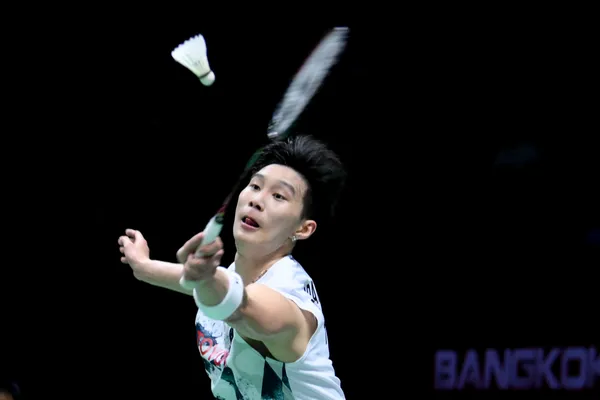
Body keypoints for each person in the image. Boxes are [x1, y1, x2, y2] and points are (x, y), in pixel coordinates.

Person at [118, 135, 347, 399]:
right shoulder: (232, 277)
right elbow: (195, 282)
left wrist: (206, 280)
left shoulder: (289, 296)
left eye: (278, 196)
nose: (257, 200)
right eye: (255, 186)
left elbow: (243, 309)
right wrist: (143, 266)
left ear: (303, 229)